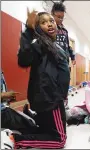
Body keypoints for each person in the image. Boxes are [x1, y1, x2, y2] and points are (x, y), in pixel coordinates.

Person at [2, 9, 70, 149]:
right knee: (60, 140)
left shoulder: (53, 46)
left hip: (50, 97)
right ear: (38, 28)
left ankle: (31, 121)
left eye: (51, 21)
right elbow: (23, 59)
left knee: (47, 130)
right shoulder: (39, 44)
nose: (50, 24)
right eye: (44, 23)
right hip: (51, 99)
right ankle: (16, 139)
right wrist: (28, 29)